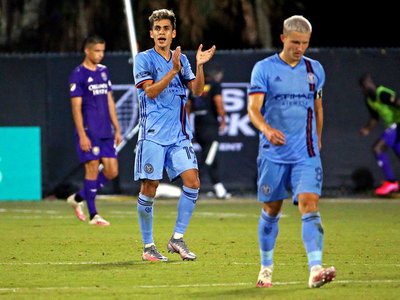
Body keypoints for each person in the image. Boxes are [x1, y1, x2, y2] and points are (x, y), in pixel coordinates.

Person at [247, 15, 336, 288]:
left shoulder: (315, 70)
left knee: (310, 204)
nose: (300, 48)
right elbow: (253, 109)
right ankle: (266, 268)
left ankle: (315, 269)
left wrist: (317, 141)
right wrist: (266, 129)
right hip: (273, 153)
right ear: (283, 38)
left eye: (305, 43)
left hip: (306, 153)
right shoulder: (263, 68)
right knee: (272, 209)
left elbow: (318, 109)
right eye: (295, 42)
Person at [133, 9, 215, 261]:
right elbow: (150, 93)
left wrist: (199, 66)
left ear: (173, 33)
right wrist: (172, 70)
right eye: (157, 29)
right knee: (151, 186)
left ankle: (176, 239)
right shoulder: (143, 59)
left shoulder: (183, 60)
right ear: (151, 33)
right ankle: (148, 247)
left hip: (179, 135)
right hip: (153, 134)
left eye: (166, 28)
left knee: (193, 182)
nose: (161, 32)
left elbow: (198, 91)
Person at [67, 35, 122, 226]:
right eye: (97, 51)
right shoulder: (78, 74)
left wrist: (117, 128)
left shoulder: (104, 72)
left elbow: (109, 100)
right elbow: (76, 107)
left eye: (102, 51)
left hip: (106, 130)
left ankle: (78, 198)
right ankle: (94, 215)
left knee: (112, 171)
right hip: (89, 131)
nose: (100, 55)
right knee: (91, 168)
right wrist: (82, 134)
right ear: (87, 51)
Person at [186, 64, 231, 199]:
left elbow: (187, 106)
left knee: (211, 157)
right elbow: (218, 102)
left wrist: (188, 126)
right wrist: (223, 119)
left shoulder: (196, 86)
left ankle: (219, 189)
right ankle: (191, 187)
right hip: (210, 127)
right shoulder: (215, 85)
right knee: (207, 159)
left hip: (198, 127)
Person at [359, 73, 400, 195]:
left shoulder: (382, 93)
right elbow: (374, 118)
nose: (363, 90)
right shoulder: (369, 100)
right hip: (392, 127)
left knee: (378, 148)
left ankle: (391, 182)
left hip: (398, 124)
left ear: (369, 84)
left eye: (363, 86)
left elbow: (398, 102)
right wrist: (367, 129)